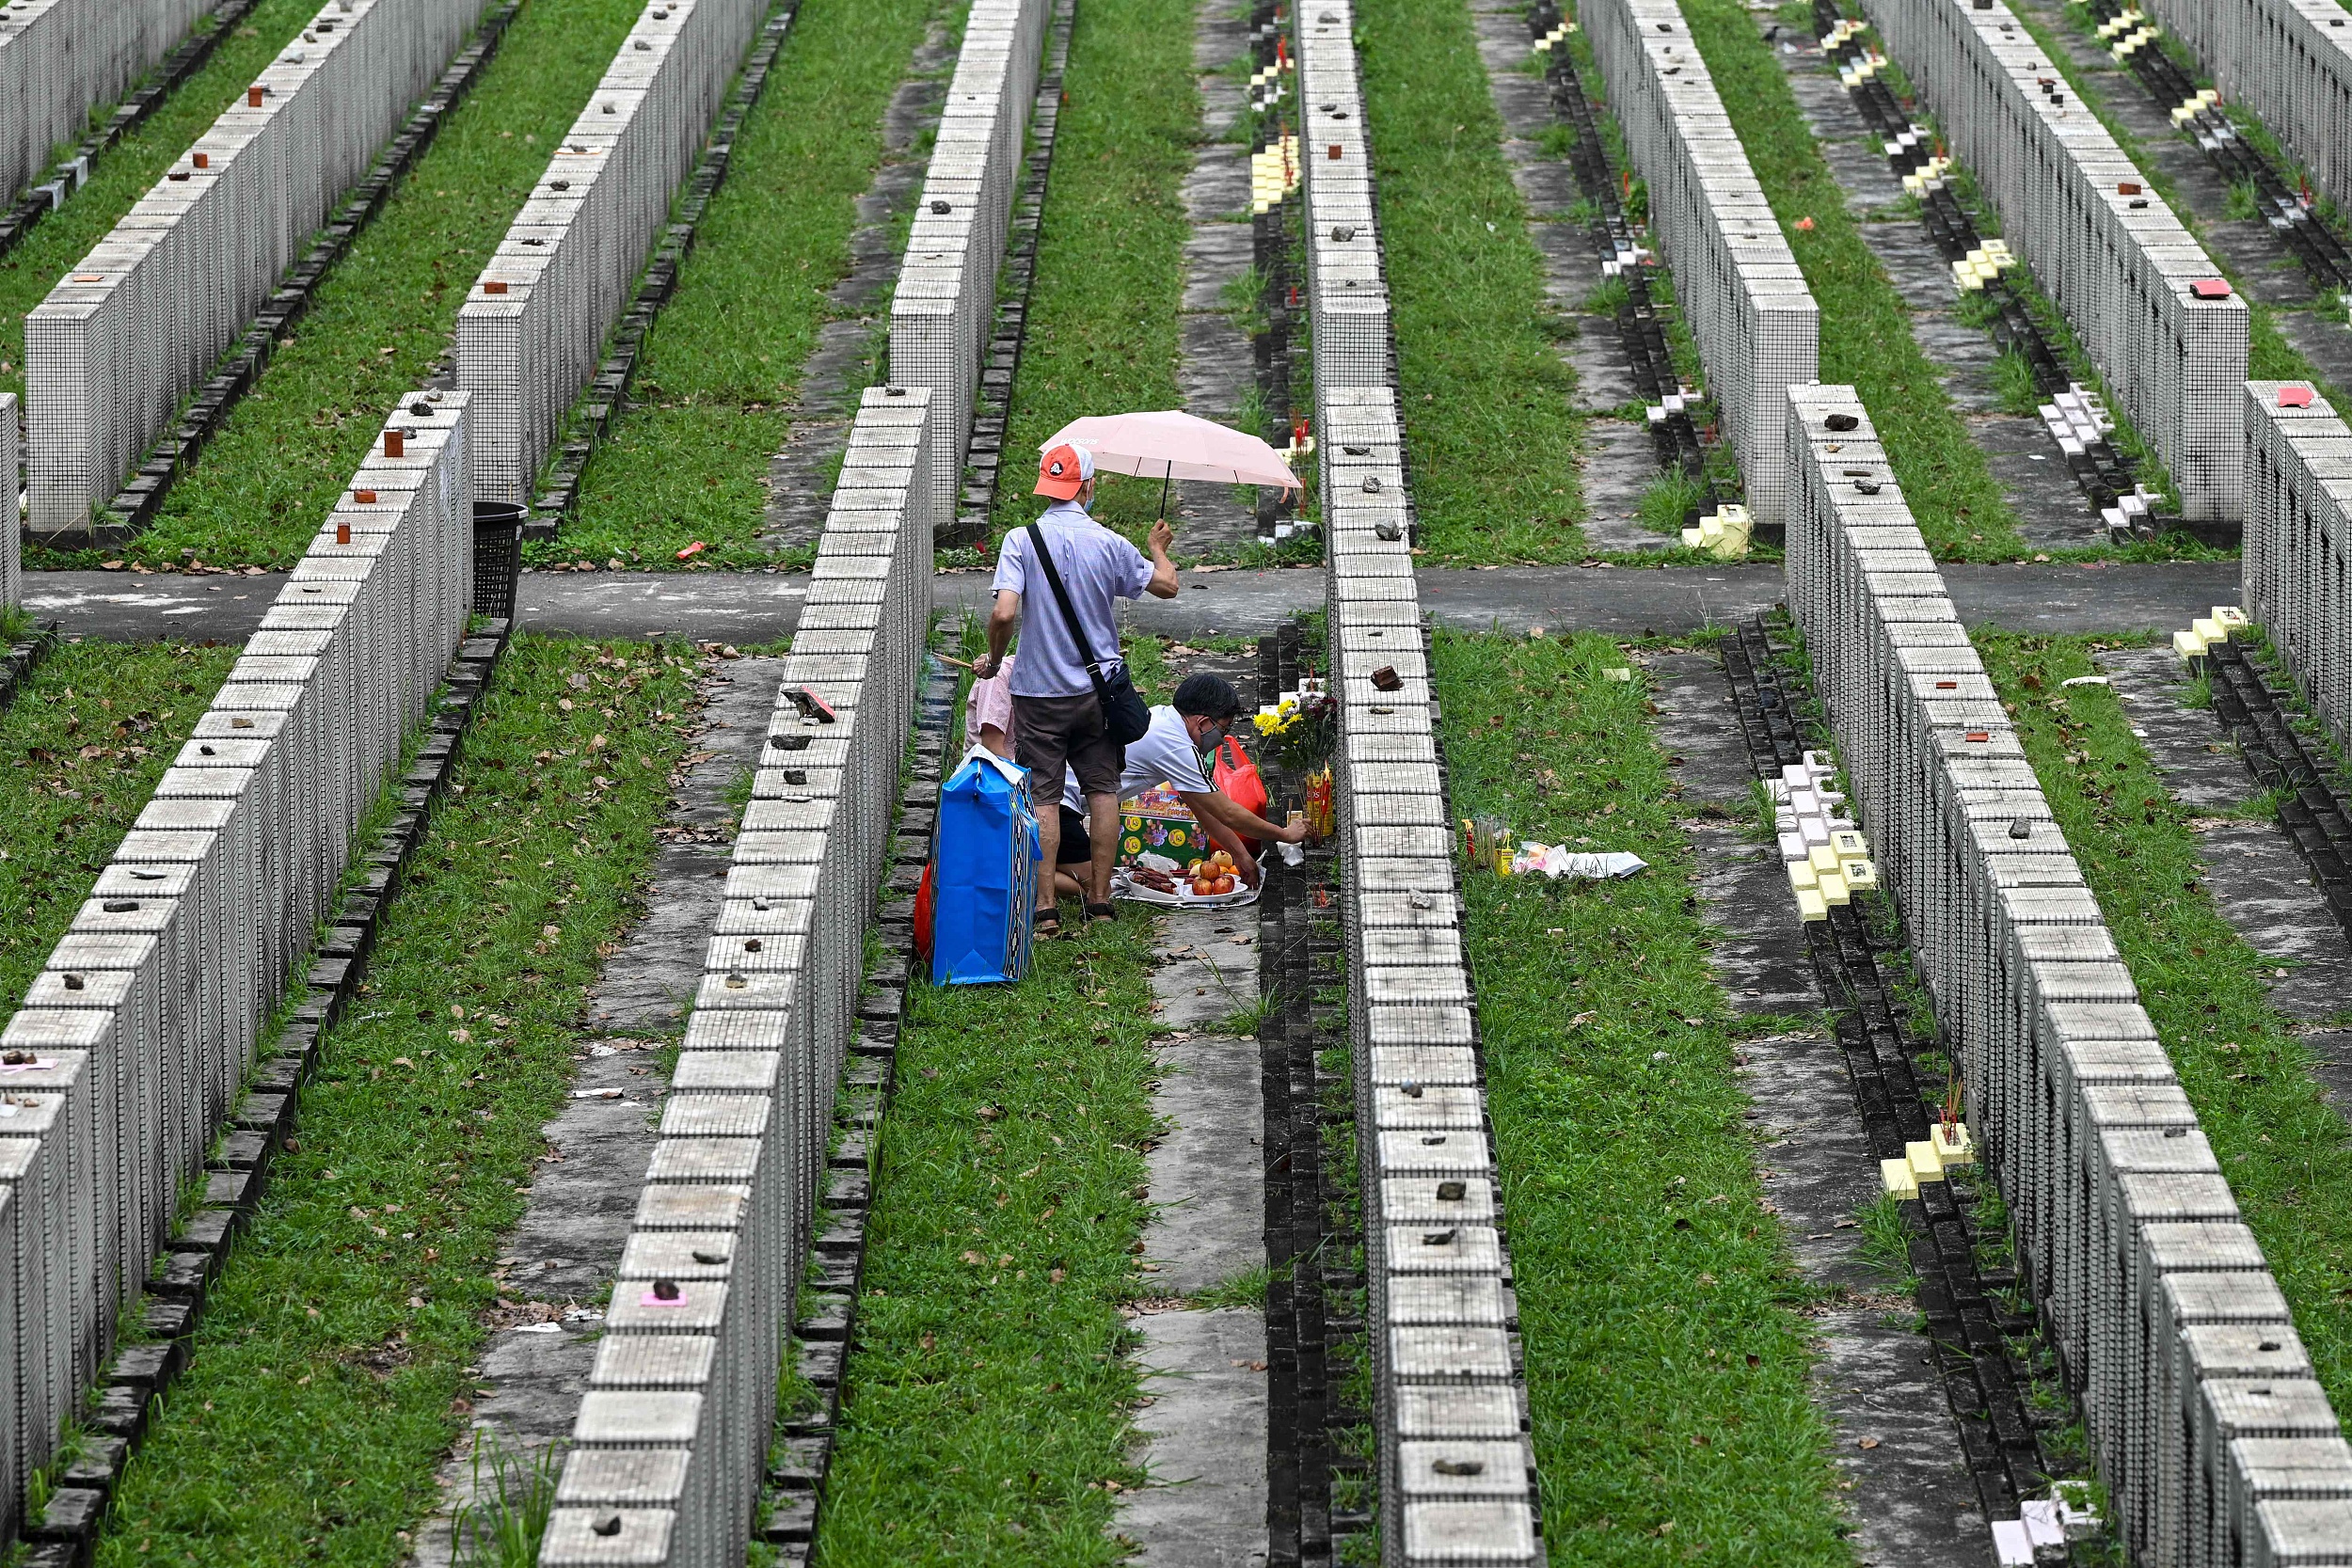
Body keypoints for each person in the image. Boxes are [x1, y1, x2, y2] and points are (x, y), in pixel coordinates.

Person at [971, 441, 1180, 931]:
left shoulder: (1020, 541)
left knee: (1044, 796)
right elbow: (1167, 586)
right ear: (1086, 487)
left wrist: (997, 659)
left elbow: (1004, 611)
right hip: (1096, 693)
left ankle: (1045, 908)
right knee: (1102, 791)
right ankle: (1101, 901)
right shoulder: (1108, 542)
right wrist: (1157, 550)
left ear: (1048, 487)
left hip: (1038, 693)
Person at [969, 667, 1303, 908]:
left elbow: (1203, 808)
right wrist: (1284, 834)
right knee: (1101, 885)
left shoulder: (1163, 722)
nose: (1219, 737)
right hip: (1059, 805)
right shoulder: (1176, 744)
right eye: (1221, 728)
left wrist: (1242, 856)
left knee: (1103, 876)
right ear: (1202, 722)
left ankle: (1027, 860)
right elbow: (1225, 809)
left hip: (1056, 798)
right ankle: (1012, 873)